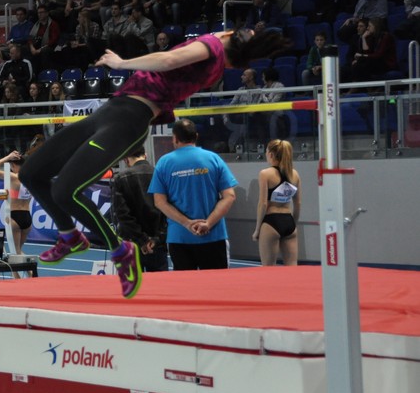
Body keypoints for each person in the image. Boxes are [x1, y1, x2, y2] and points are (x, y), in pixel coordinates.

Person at [19, 28, 281, 298]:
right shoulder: (217, 62)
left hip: (129, 120)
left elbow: (168, 60)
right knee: (30, 173)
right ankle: (70, 234)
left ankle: (121, 250)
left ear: (229, 35)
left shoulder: (212, 47)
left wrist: (121, 63)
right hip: (111, 111)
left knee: (65, 190)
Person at [149, 119, 238, 271]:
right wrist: (208, 223)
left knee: (185, 285)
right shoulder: (213, 158)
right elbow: (229, 196)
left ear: (174, 138)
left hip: (180, 238)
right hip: (213, 236)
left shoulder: (164, 163)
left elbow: (159, 202)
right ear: (196, 136)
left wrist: (187, 223)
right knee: (217, 284)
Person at [111, 146, 169, 272]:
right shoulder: (161, 175)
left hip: (130, 243)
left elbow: (122, 215)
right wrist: (157, 239)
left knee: (134, 283)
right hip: (157, 244)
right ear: (145, 155)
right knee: (160, 283)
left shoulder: (120, 178)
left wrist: (142, 240)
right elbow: (168, 211)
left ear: (126, 159)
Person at [0, 143, 40, 264]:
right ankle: (28, 272)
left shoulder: (14, 177)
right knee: (18, 252)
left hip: (15, 217)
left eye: (11, 166)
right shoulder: (31, 178)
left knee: (16, 254)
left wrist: (7, 157)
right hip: (27, 218)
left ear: (13, 165)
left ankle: (30, 271)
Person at [253, 139, 301, 266]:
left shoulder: (265, 174)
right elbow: (298, 203)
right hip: (289, 221)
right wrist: (294, 224)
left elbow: (263, 204)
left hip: (271, 222)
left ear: (271, 154)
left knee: (268, 268)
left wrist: (257, 229)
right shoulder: (295, 174)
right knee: (292, 267)